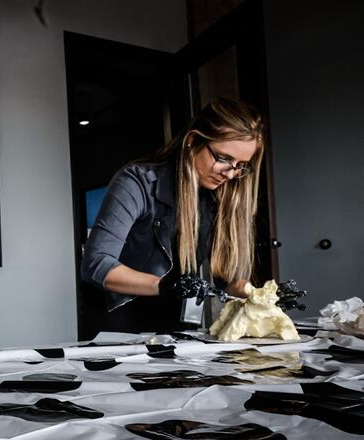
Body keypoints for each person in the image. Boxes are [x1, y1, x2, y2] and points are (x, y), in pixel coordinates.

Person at [81, 97, 304, 333]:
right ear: (193, 141)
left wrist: (262, 296)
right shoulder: (137, 182)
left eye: (240, 164)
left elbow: (227, 287)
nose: (230, 174)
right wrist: (167, 286)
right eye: (223, 158)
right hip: (118, 316)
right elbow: (96, 264)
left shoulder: (222, 196)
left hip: (174, 318)